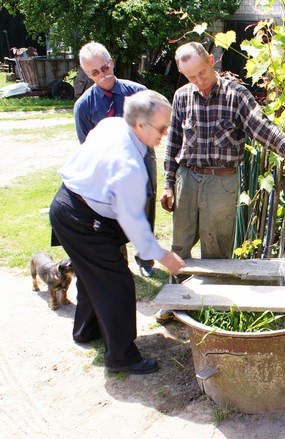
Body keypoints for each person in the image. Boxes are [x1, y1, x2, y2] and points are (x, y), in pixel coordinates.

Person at [49, 90, 185, 374]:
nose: (164, 135)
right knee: (116, 284)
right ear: (139, 125)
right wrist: (162, 256)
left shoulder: (112, 125)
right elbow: (133, 222)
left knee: (92, 276)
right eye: (161, 129)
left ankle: (86, 331)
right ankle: (121, 356)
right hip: (84, 220)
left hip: (69, 206)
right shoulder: (129, 166)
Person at [161, 41, 285, 262]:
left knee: (216, 251)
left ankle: (213, 296)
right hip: (186, 179)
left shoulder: (236, 95)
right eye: (190, 77)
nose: (198, 81)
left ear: (211, 61)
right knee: (179, 246)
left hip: (221, 183)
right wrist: (169, 184)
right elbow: (173, 143)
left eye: (201, 73)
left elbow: (264, 128)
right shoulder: (182, 96)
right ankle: (178, 293)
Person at [73, 41, 155, 278]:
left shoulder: (138, 92)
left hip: (141, 163)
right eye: (95, 72)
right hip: (109, 171)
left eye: (105, 67)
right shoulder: (84, 106)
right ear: (88, 74)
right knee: (111, 216)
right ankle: (119, 262)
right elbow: (86, 146)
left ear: (111, 63)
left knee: (143, 210)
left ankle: (146, 258)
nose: (102, 75)